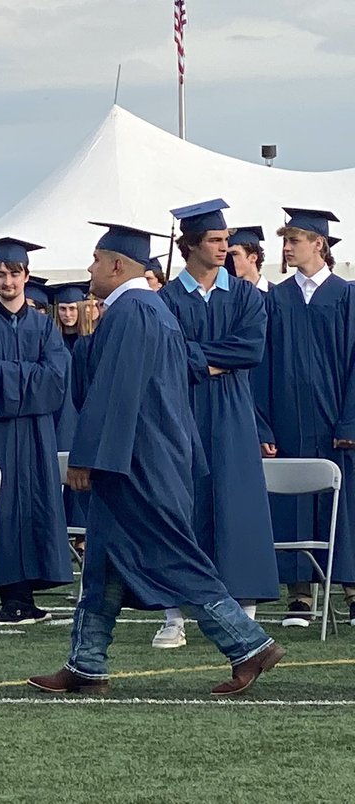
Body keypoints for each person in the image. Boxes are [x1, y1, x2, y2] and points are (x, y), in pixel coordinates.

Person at [30, 222, 283, 698]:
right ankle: (85, 664)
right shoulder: (143, 309)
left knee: (173, 555)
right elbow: (111, 383)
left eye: (96, 260)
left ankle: (248, 644)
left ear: (117, 265)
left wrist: (87, 458)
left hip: (138, 462)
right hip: (146, 456)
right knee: (103, 561)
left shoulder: (136, 311)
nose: (90, 268)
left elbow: (115, 393)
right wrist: (87, 337)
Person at [149, 201, 279, 649]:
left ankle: (243, 613)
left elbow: (250, 350)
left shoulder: (245, 295)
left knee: (236, 503)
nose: (225, 247)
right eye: (216, 241)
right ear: (190, 245)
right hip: (179, 410)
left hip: (233, 414)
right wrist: (210, 360)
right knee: (179, 506)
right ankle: (172, 616)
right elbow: (166, 354)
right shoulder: (165, 299)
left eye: (227, 241)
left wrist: (197, 359)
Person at [255, 208, 355, 627]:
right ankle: (300, 595)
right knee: (294, 502)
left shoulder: (347, 295)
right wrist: (263, 425)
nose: (287, 246)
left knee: (347, 506)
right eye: (286, 239)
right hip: (290, 421)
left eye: (295, 239)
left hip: (336, 421)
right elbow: (261, 367)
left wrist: (350, 421)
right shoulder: (276, 298)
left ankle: (352, 592)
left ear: (320, 244)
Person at [0, 239, 72, 624]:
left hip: (36, 431)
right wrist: (29, 376)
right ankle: (10, 596)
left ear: (26, 276)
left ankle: (29, 594)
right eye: (0, 274)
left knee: (37, 502)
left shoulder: (44, 326)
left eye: (13, 274)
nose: (7, 281)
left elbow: (58, 375)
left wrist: (11, 375)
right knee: (4, 505)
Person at [47, 282, 95, 538]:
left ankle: (81, 533)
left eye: (72, 308)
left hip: (82, 415)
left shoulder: (91, 342)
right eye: (63, 309)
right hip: (61, 415)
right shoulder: (52, 343)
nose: (67, 314)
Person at [227, 226, 271, 292]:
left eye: (234, 254)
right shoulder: (226, 296)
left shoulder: (276, 294)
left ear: (253, 257)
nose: (228, 259)